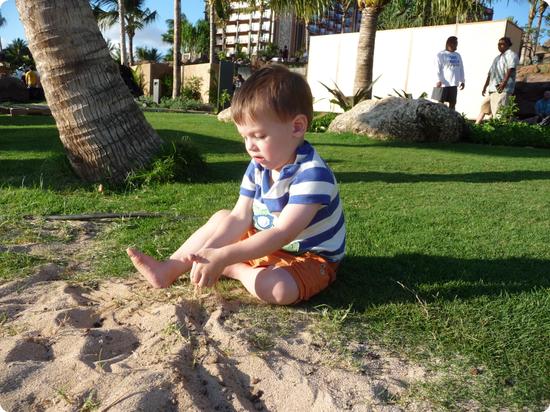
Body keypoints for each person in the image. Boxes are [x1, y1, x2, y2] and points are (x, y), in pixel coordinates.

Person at [127, 64, 346, 305]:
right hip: (264, 242)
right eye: (245, 137)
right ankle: (167, 269)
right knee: (223, 217)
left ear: (297, 127)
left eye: (259, 136)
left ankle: (234, 269)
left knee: (279, 290)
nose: (250, 146)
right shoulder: (259, 165)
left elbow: (283, 233)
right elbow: (240, 217)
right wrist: (206, 254)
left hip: (308, 258)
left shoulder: (312, 175)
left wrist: (223, 256)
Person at [475, 37, 519, 124]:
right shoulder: (497, 58)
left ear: (507, 45)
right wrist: (485, 86)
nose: (499, 46)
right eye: (498, 44)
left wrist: (503, 83)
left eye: (502, 44)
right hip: (493, 88)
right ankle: (477, 125)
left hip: (502, 89)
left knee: (499, 112)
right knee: (484, 106)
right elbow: (490, 73)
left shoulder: (511, 55)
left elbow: (511, 68)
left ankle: (499, 131)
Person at [434, 36, 465, 110]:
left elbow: (461, 68)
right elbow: (437, 69)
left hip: (454, 84)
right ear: (449, 44)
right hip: (443, 84)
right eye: (455, 44)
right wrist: (438, 80)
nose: (456, 47)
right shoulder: (441, 55)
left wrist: (462, 81)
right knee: (440, 104)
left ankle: (451, 120)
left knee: (453, 103)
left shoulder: (458, 55)